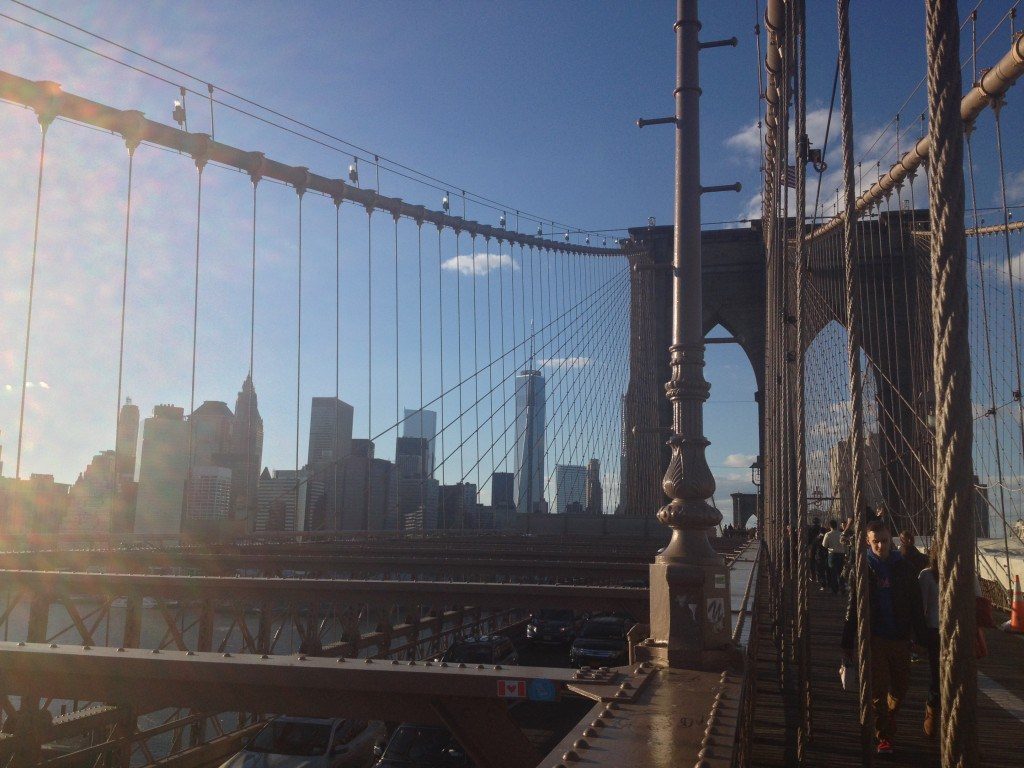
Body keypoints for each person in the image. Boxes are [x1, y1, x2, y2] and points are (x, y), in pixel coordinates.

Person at [841, 519, 927, 755]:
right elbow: (852, 606)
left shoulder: (905, 568)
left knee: (900, 688)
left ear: (892, 540)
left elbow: (916, 606)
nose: (881, 546)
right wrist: (847, 642)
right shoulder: (861, 568)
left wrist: (920, 638)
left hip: (900, 637)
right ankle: (884, 736)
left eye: (885, 541)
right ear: (868, 542)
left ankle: (887, 719)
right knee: (878, 690)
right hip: (874, 637)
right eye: (876, 542)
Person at [917, 543, 940, 739]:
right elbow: (920, 606)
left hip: (959, 633)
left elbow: (977, 601)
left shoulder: (967, 573)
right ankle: (932, 711)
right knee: (937, 677)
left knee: (961, 677)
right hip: (935, 632)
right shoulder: (927, 575)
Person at [821, 519, 847, 595]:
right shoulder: (841, 534)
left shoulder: (828, 534)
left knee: (833, 573)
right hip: (841, 554)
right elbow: (845, 545)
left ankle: (834, 590)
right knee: (841, 572)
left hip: (832, 555)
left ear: (830, 526)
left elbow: (824, 545)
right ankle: (842, 589)